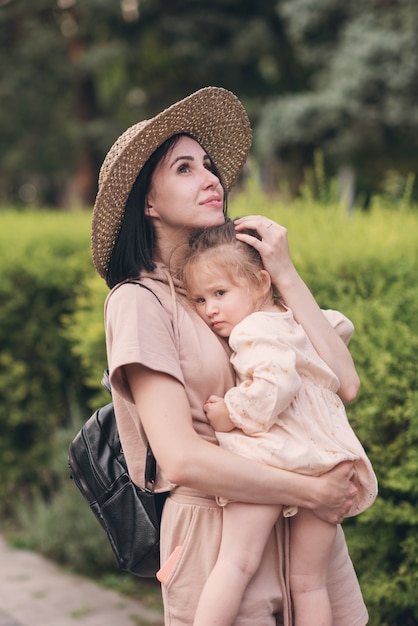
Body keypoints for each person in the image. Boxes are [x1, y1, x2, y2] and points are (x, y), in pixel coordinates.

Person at [91, 86, 369, 626]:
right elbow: (181, 457)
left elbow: (346, 381)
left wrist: (283, 272)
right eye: (185, 168)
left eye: (210, 165)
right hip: (221, 534)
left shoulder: (232, 289)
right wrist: (313, 488)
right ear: (147, 202)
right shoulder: (139, 303)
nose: (211, 177)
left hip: (302, 528)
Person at [182, 219, 378, 626]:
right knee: (309, 583)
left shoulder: (253, 330)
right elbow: (340, 328)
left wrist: (230, 414)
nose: (210, 309)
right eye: (199, 300)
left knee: (235, 563)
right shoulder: (296, 324)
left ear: (261, 284)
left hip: (274, 453)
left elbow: (276, 383)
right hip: (326, 458)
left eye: (220, 293)